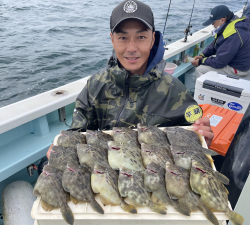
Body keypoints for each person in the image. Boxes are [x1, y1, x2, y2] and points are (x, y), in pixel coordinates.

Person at [46, 0, 214, 158]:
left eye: (141, 37)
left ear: (152, 39)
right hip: (107, 170)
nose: (131, 48)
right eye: (122, 38)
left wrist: (201, 139)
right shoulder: (95, 85)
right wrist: (63, 145)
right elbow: (78, 132)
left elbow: (192, 135)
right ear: (112, 39)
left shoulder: (175, 90)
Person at [192, 5, 250, 78]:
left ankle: (207, 89)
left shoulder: (233, 34)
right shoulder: (230, 26)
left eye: (213, 22)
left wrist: (201, 62)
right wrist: (202, 55)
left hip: (238, 69)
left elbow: (219, 62)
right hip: (233, 61)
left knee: (200, 69)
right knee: (208, 60)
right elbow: (215, 43)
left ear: (222, 20)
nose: (212, 24)